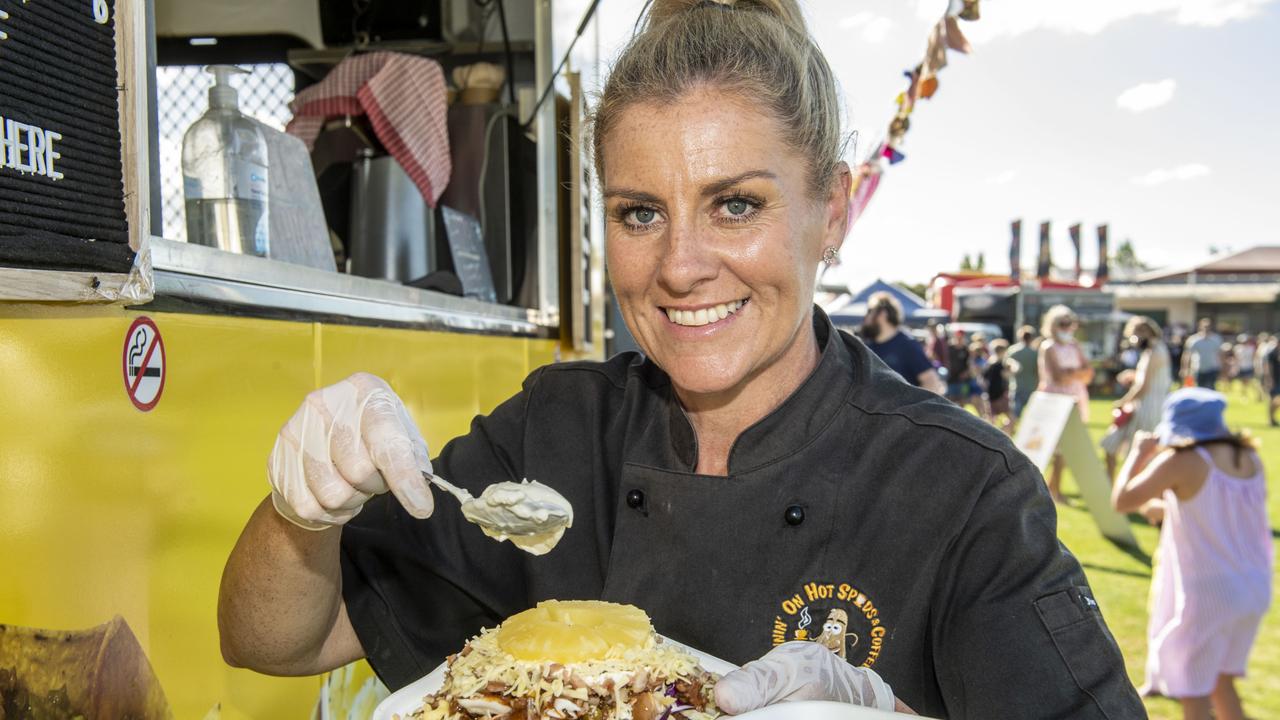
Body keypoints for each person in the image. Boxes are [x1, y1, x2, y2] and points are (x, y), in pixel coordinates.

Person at [216, 2, 1145, 717]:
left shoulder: (962, 492)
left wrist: (887, 711)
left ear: (835, 210)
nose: (680, 266)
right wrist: (304, 513)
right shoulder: (556, 431)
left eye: (735, 203)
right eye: (640, 213)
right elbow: (271, 639)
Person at [1112, 389, 1272, 720]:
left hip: (1212, 591)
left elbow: (1122, 500)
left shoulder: (1183, 460)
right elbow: (1219, 514)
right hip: (1254, 585)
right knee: (1221, 684)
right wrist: (1165, 509)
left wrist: (1138, 453)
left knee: (1193, 692)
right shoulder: (1248, 457)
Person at [1101, 316, 1173, 478]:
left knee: (1138, 455)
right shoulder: (1154, 350)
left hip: (1148, 407)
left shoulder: (1155, 351)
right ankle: (1110, 487)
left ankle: (1127, 490)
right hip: (1145, 406)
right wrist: (1133, 376)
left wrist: (1122, 401)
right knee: (1113, 444)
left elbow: (1144, 386)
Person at [1038, 305, 1093, 503]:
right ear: (1053, 325)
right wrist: (1075, 373)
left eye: (1070, 323)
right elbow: (1058, 377)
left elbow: (1088, 373)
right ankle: (1051, 490)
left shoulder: (1074, 345)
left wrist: (1071, 374)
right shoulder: (1048, 347)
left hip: (1075, 398)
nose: (1068, 328)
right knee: (1052, 449)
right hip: (1055, 400)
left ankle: (1054, 489)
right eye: (1063, 323)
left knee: (1066, 450)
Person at [860, 292, 945, 394]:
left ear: (883, 314)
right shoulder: (868, 347)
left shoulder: (907, 345)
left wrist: (911, 408)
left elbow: (932, 382)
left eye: (869, 311)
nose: (866, 318)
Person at [1005, 325, 1040, 420]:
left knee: (1014, 415)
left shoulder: (1012, 351)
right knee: (1032, 416)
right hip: (1031, 387)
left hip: (1016, 386)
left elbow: (1006, 368)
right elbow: (1038, 371)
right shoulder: (1035, 353)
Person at [1182, 318, 1222, 389]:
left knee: (1211, 389)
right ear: (1200, 326)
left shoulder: (1216, 339)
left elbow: (1220, 354)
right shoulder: (1193, 339)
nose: (1206, 328)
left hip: (1212, 368)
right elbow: (1187, 355)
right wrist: (1185, 368)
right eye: (1204, 326)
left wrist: (1222, 368)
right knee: (1199, 390)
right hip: (1197, 369)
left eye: (1208, 326)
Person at [985, 339, 1013, 433]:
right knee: (1010, 418)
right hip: (1000, 394)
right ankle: (1003, 432)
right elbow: (1006, 375)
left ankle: (996, 433)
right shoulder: (1000, 364)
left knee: (992, 420)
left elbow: (984, 378)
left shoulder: (989, 364)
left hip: (991, 394)